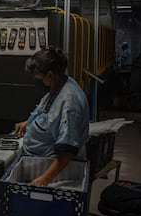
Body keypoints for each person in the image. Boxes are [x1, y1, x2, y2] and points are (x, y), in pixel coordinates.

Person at [14, 46, 90, 186]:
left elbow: (67, 150)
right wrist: (29, 122)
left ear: (50, 75)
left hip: (51, 168)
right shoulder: (60, 85)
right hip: (36, 159)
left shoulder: (69, 102)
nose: (37, 80)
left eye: (39, 77)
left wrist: (46, 178)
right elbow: (47, 113)